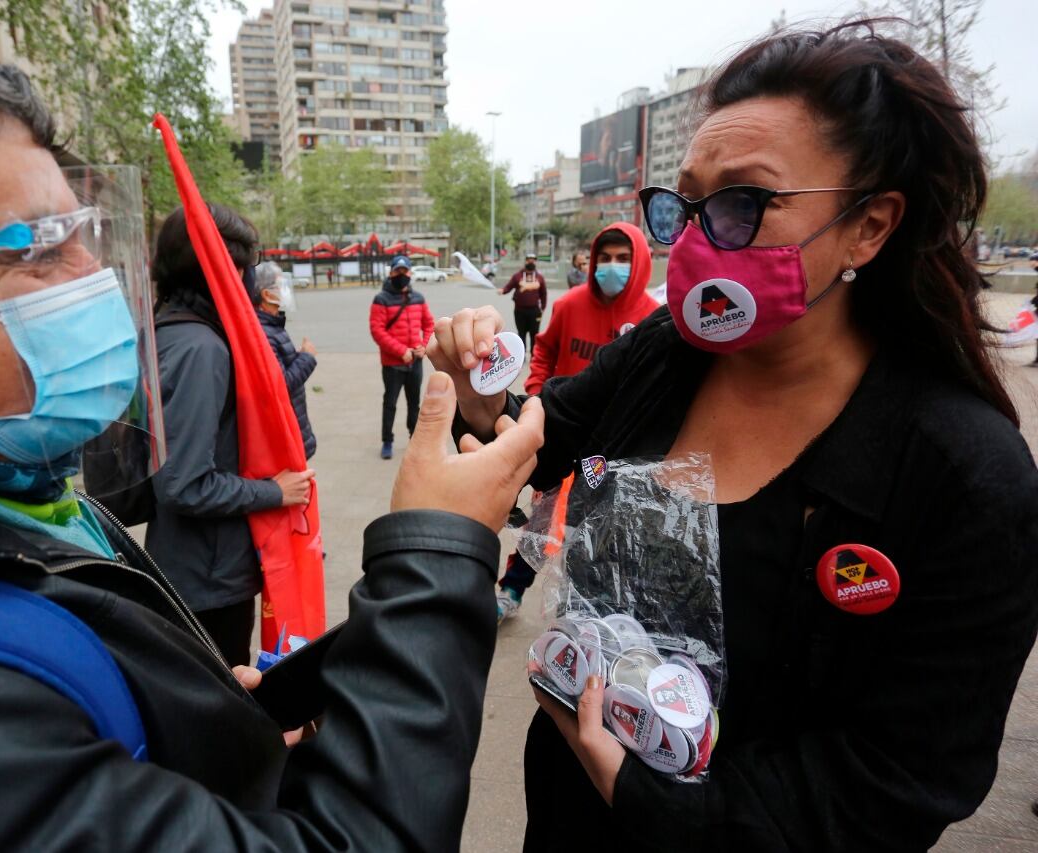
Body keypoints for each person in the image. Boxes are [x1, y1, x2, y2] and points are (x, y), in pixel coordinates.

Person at [0, 2, 548, 848]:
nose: (91, 283)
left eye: (88, 240)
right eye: (33, 250)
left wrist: (213, 721)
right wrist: (439, 547)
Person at [430, 21, 1038, 850]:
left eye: (744, 202)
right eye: (685, 203)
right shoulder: (662, 354)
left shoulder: (964, 475)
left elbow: (905, 776)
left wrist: (659, 805)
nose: (697, 239)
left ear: (870, 225)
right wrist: (475, 398)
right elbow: (532, 442)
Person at [147, 205, 313, 668]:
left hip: (199, 566)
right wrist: (274, 491)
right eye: (246, 265)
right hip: (207, 579)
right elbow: (183, 482)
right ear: (224, 270)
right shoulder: (200, 349)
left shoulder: (176, 331)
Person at [495, 223, 659, 622]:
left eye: (623, 259)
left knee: (600, 530)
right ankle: (511, 589)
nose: (612, 266)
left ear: (640, 264)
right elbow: (545, 349)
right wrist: (536, 394)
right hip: (563, 437)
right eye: (605, 258)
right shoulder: (569, 305)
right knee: (541, 519)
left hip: (616, 449)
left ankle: (585, 606)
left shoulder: (654, 319)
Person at [369, 255, 435, 460]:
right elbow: (377, 331)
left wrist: (423, 347)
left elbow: (429, 324)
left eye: (404, 271)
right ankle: (387, 440)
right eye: (397, 271)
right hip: (393, 364)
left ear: (410, 273)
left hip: (415, 362)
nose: (401, 275)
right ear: (391, 273)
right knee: (390, 403)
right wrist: (401, 351)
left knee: (414, 403)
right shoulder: (381, 299)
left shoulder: (418, 298)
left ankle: (414, 439)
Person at [251, 262, 318, 459]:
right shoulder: (264, 331)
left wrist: (296, 357)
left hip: (293, 423)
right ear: (266, 294)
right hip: (284, 431)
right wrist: (306, 357)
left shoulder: (273, 324)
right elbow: (281, 385)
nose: (285, 291)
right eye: (280, 285)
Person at [501, 251, 548, 353]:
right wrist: (503, 291)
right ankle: (521, 355)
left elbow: (543, 293)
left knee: (534, 334)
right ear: (525, 261)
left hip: (535, 311)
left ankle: (534, 355)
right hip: (520, 311)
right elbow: (509, 286)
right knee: (521, 333)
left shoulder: (539, 277)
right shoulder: (517, 276)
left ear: (535, 262)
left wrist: (543, 308)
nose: (531, 262)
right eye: (529, 260)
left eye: (533, 260)